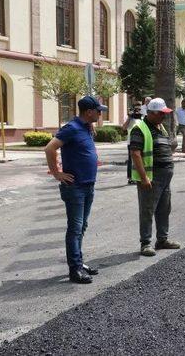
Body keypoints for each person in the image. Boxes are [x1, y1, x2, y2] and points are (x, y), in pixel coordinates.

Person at [45, 96, 108, 284]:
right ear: (89, 112)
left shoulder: (86, 127)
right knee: (75, 228)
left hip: (88, 185)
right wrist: (57, 173)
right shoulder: (71, 128)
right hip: (75, 188)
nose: (100, 113)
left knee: (82, 226)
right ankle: (75, 269)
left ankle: (79, 262)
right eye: (98, 110)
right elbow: (50, 148)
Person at [130, 98, 181, 257]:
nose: (163, 117)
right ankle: (145, 243)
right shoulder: (140, 128)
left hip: (165, 178)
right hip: (151, 177)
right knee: (147, 210)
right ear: (151, 113)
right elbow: (136, 154)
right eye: (161, 114)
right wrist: (144, 177)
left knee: (164, 209)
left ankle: (162, 239)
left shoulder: (161, 127)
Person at [122, 103, 143, 184]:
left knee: (140, 159)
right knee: (131, 160)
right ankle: (130, 178)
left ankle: (138, 176)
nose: (137, 111)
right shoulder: (129, 118)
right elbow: (124, 128)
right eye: (136, 110)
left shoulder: (142, 117)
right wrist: (129, 118)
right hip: (131, 141)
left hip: (141, 141)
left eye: (139, 109)